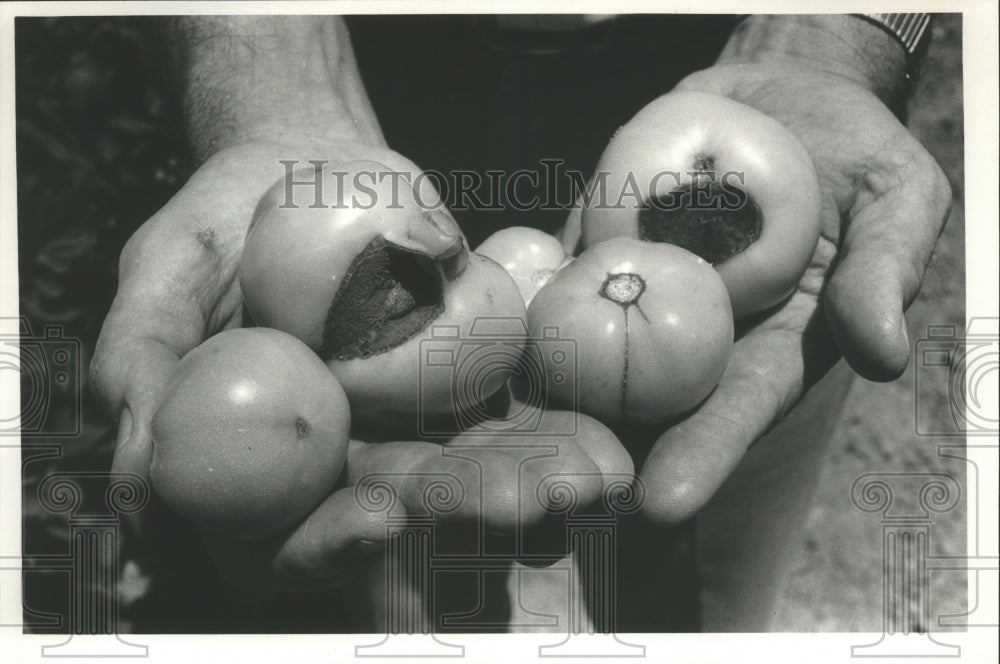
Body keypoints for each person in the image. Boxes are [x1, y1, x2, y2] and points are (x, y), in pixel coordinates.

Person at [90, 14, 951, 632]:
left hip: (701, 49)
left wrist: (832, 34)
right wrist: (271, 86)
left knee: (699, 571)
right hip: (379, 69)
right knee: (398, 564)